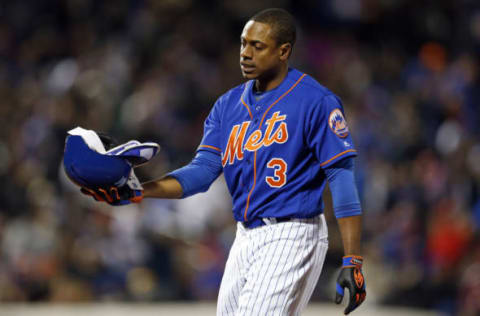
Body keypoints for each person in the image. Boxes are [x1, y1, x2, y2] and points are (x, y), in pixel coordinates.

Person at [81, 8, 366, 315]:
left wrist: (352, 259)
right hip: (244, 236)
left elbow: (341, 176)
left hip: (293, 233)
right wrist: (138, 190)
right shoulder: (227, 105)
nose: (245, 53)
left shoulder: (316, 101)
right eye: (243, 43)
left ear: (284, 51)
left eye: (257, 46)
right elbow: (201, 173)